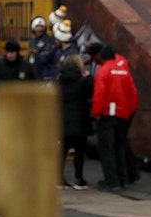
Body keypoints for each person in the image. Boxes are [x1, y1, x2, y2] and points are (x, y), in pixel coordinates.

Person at [91, 45, 139, 191]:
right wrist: (128, 111)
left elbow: (100, 94)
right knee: (119, 147)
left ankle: (111, 181)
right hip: (123, 113)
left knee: (107, 149)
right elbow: (133, 92)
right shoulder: (124, 70)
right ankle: (123, 180)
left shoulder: (103, 71)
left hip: (106, 115)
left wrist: (96, 113)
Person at [59, 54, 94, 190]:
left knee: (62, 150)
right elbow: (91, 92)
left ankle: (60, 179)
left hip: (63, 118)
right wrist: (88, 76)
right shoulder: (83, 81)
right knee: (79, 150)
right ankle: (78, 179)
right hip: (80, 118)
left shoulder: (60, 80)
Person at [28, 16, 57, 80]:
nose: (39, 29)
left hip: (46, 75)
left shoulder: (50, 40)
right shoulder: (32, 41)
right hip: (35, 76)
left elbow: (45, 58)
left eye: (41, 26)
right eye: (37, 26)